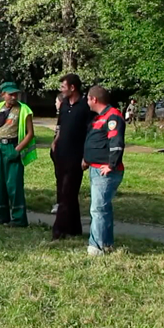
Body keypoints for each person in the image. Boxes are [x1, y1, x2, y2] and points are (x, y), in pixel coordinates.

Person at [83, 86, 126, 256]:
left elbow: (116, 143)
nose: (87, 102)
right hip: (95, 168)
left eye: (88, 99)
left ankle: (97, 246)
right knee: (104, 209)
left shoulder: (112, 116)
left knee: (98, 209)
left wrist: (111, 165)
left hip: (105, 172)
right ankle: (106, 243)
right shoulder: (99, 118)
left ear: (94, 99)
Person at [51, 74, 94, 240]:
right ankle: (74, 228)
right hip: (61, 154)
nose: (61, 89)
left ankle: (59, 229)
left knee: (67, 192)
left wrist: (87, 156)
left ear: (72, 88)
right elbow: (60, 125)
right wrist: (55, 141)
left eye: (64, 86)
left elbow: (91, 132)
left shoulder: (85, 107)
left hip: (76, 156)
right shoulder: (63, 105)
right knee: (65, 192)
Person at [0, 82, 37, 227]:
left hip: (13, 147)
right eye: (10, 94)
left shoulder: (24, 110)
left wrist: (18, 149)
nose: (13, 97)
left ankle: (19, 218)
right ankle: (1, 215)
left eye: (15, 94)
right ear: (3, 94)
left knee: (14, 184)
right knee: (0, 183)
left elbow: (30, 133)